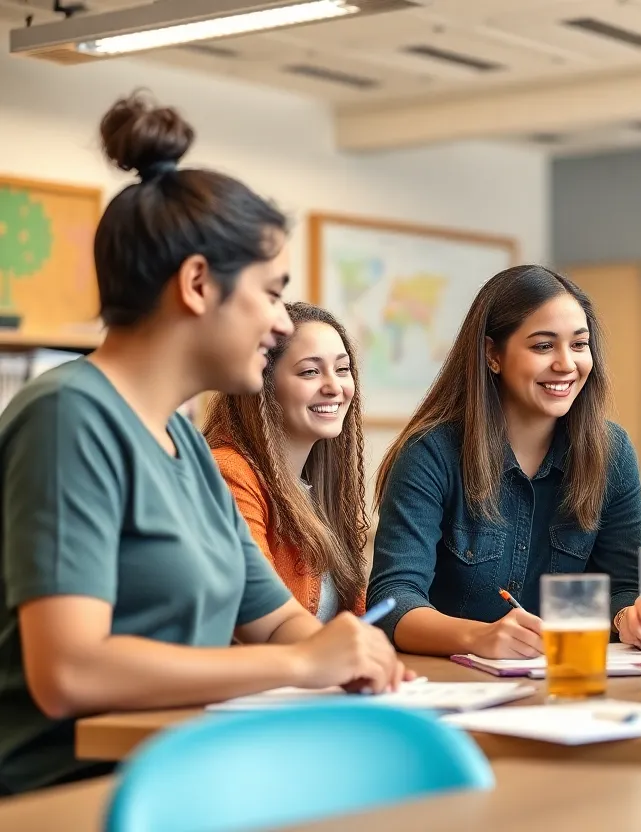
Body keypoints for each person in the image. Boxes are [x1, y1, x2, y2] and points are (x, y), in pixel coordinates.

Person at [0, 93, 404, 796]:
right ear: (196, 285)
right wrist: (300, 667)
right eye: (270, 292)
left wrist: (348, 652)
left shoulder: (182, 444)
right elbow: (69, 671)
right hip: (64, 791)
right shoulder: (71, 416)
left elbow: (275, 621)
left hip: (175, 772)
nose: (280, 322)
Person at [370, 265, 641, 658]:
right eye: (543, 346)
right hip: (457, 686)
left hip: (573, 681)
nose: (567, 363)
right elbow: (393, 600)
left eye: (579, 345)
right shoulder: (430, 453)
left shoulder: (612, 453)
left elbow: (624, 587)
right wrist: (477, 638)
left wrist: (630, 618)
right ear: (492, 354)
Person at [204, 302, 368, 621]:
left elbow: (354, 614)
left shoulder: (321, 487)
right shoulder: (229, 473)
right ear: (264, 383)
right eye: (310, 371)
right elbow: (258, 610)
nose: (334, 386)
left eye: (342, 369)